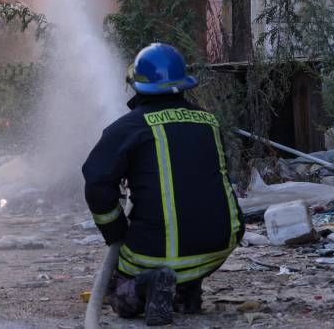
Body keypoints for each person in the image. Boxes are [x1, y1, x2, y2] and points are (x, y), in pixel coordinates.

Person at [82, 42, 243, 326]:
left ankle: (149, 285)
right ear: (183, 84)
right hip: (221, 244)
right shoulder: (209, 122)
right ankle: (187, 290)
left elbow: (96, 182)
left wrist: (116, 231)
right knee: (184, 245)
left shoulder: (128, 128)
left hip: (157, 250)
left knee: (119, 295)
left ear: (137, 85)